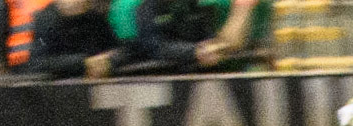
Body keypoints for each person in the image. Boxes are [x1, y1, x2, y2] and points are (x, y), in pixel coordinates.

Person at [105, 0, 270, 74]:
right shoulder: (143, 8)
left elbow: (212, 40)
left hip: (204, 74)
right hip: (164, 78)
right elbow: (153, 47)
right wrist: (194, 52)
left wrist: (215, 47)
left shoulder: (198, 5)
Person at [22, 0, 120, 76]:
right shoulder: (46, 20)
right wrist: (83, 62)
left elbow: (119, 50)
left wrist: (108, 60)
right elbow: (38, 63)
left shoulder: (95, 18)